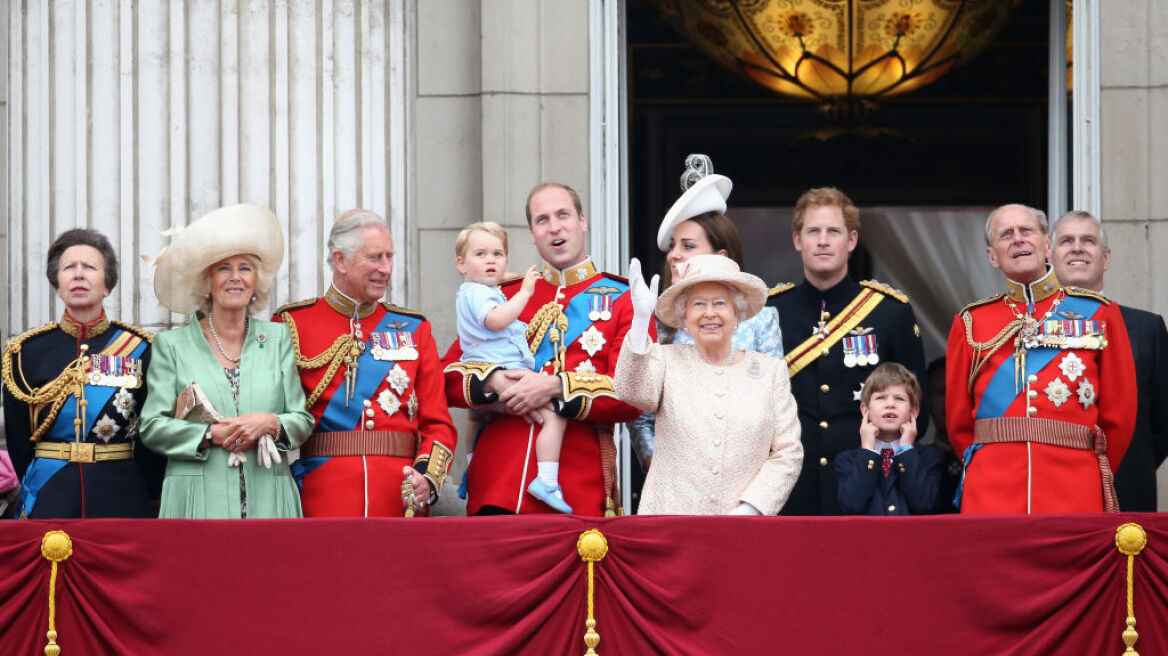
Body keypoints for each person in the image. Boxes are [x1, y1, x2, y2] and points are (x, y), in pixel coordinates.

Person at [442, 182, 646, 516]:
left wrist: (556, 386)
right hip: (497, 485)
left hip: (576, 490)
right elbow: (444, 374)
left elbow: (634, 394)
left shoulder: (623, 300)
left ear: (583, 221)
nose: (554, 227)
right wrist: (493, 381)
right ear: (532, 234)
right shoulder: (502, 295)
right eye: (542, 220)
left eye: (563, 215)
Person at [946, 204, 1136, 513]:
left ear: (1047, 246)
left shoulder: (1101, 314)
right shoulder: (970, 322)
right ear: (993, 256)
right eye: (1006, 234)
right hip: (992, 492)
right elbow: (959, 425)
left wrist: (1089, 471)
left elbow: (1120, 417)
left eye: (1026, 231)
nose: (1018, 239)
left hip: (1074, 490)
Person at [275, 209, 457, 517]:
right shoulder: (292, 324)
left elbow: (438, 423)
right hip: (321, 497)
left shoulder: (414, 328)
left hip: (398, 498)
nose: (386, 268)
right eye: (375, 257)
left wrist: (427, 477)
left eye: (390, 256)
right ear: (340, 260)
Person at [141, 204, 315, 518]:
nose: (235, 278)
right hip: (196, 502)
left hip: (269, 499)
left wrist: (270, 423)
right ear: (206, 281)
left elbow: (301, 421)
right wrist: (209, 435)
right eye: (223, 268)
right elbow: (152, 427)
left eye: (245, 268)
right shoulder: (171, 345)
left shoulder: (278, 339)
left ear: (256, 282)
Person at [767, 187, 927, 515]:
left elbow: (915, 409)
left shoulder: (889, 312)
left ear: (851, 241)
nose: (823, 241)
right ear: (798, 240)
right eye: (813, 231)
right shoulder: (771, 312)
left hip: (867, 484)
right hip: (789, 485)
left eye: (833, 232)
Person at [628, 154, 783, 473]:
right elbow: (640, 415)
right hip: (674, 487)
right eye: (673, 246)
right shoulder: (655, 323)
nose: (673, 255)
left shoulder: (761, 319)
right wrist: (657, 463)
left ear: (720, 255)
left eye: (687, 246)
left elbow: (773, 408)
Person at [615, 254, 802, 514]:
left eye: (720, 303)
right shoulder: (665, 360)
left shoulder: (771, 373)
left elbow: (788, 452)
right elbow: (630, 390)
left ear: (737, 312)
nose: (709, 313)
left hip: (742, 530)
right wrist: (639, 323)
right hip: (669, 524)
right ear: (684, 316)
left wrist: (751, 509)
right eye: (699, 304)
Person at [2, 229, 162, 518]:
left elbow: (152, 436)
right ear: (58, 283)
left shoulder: (141, 348)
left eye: (89, 267)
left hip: (121, 492)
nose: (78, 275)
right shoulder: (25, 352)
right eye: (68, 268)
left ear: (107, 285)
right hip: (49, 492)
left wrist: (150, 490)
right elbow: (18, 440)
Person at [1051, 210, 1168, 511]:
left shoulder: (1147, 328)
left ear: (1106, 257)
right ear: (1049, 256)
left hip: (1127, 488)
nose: (1077, 247)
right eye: (1067, 241)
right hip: (1051, 491)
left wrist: (1119, 464)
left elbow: (1162, 424)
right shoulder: (1027, 328)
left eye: (1088, 240)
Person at [453, 221, 571, 513]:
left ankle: (470, 466)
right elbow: (496, 320)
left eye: (498, 254)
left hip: (483, 368)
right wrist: (525, 292)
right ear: (461, 264)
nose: (491, 260)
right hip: (504, 369)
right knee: (554, 417)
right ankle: (547, 481)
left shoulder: (477, 289)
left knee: (475, 417)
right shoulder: (487, 294)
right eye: (481, 254)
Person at [836, 362, 943, 516]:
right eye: (881, 397)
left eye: (899, 398)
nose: (890, 405)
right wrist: (867, 450)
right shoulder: (847, 461)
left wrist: (906, 449)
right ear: (865, 410)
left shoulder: (929, 458)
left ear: (914, 411)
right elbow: (852, 504)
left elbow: (924, 504)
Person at [925, 357, 963, 513]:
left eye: (955, 392)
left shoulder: (982, 459)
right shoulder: (918, 461)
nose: (948, 401)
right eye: (941, 393)